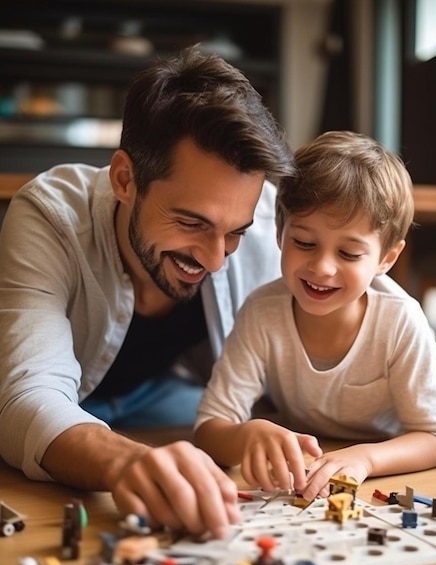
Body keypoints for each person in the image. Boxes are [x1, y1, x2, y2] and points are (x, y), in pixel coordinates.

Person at [0, 45, 295, 538]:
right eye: (190, 223)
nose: (216, 258)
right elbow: (27, 397)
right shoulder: (49, 216)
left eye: (234, 232)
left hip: (164, 400)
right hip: (71, 406)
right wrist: (127, 464)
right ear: (124, 179)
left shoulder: (267, 222)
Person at [194, 130, 436, 501]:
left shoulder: (400, 320)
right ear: (279, 233)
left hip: (377, 472)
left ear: (387, 258)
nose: (321, 268)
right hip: (306, 468)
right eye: (304, 243)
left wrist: (365, 459)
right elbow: (210, 428)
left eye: (349, 254)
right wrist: (246, 436)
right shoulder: (262, 312)